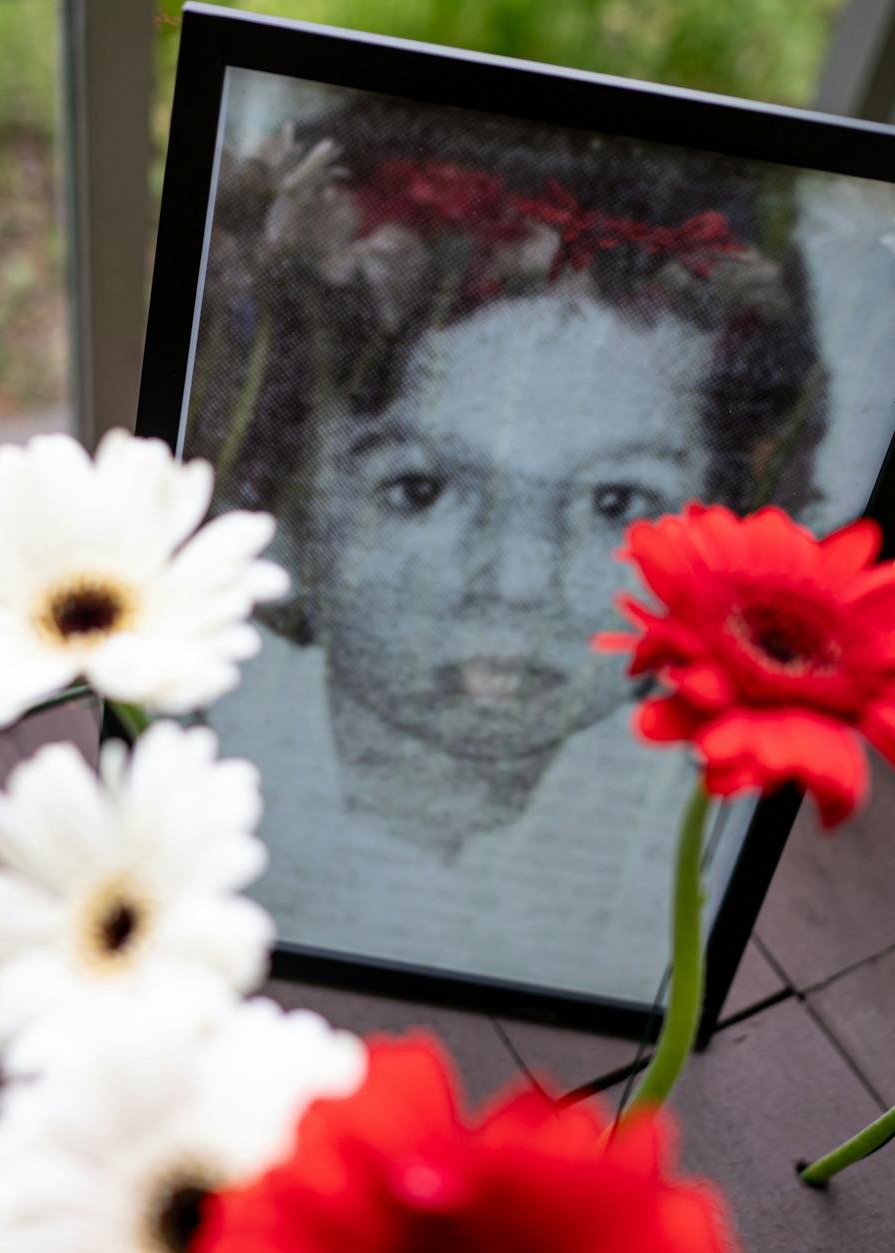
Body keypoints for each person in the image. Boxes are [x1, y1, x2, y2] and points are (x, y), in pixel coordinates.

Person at [191, 92, 826, 999]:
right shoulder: (197, 800)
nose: (519, 585)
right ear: (278, 506)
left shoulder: (667, 890)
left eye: (616, 500)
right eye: (419, 488)